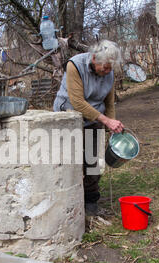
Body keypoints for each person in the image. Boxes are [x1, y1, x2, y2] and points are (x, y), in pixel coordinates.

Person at [53, 39, 125, 216]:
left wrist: (112, 124)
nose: (107, 71)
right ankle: (68, 204)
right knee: (72, 162)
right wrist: (106, 120)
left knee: (94, 163)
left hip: (95, 120)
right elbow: (77, 102)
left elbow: (109, 102)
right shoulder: (75, 66)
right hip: (69, 116)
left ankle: (91, 203)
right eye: (105, 67)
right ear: (94, 58)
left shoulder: (109, 72)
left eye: (110, 68)